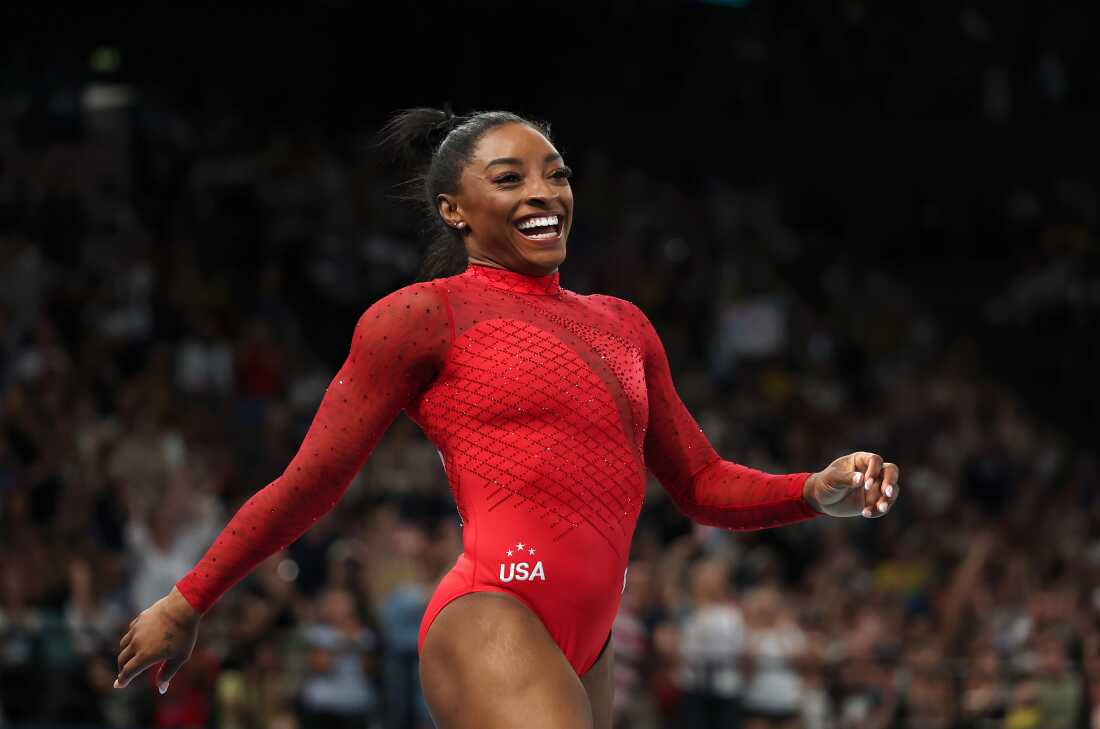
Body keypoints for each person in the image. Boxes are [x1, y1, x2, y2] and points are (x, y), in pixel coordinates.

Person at [114, 108, 902, 729]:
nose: (543, 193)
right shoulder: (420, 317)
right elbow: (312, 483)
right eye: (510, 177)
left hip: (587, 643)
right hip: (494, 609)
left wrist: (812, 490)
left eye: (555, 175)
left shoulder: (624, 323)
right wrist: (187, 600)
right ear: (456, 209)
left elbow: (698, 482)